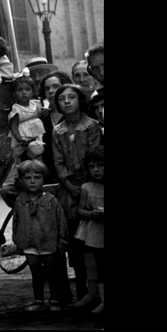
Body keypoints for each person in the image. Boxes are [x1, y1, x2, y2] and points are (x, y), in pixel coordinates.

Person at [51, 84, 102, 303]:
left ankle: (97, 293)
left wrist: (86, 184)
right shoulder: (58, 130)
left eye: (72, 97)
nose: (67, 102)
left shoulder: (91, 126)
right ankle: (82, 291)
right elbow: (58, 161)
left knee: (95, 241)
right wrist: (67, 183)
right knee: (75, 239)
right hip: (69, 189)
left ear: (80, 100)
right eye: (62, 99)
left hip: (91, 185)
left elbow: (95, 155)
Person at [0, 158, 71, 311]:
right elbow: (16, 223)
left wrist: (61, 242)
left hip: (49, 243)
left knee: (52, 272)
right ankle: (38, 300)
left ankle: (55, 300)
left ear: (44, 180)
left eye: (37, 178)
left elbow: (61, 223)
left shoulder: (51, 200)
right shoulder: (20, 201)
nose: (32, 182)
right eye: (28, 178)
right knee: (35, 272)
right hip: (29, 244)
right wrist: (18, 241)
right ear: (22, 180)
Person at [74, 148, 106, 314]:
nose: (96, 170)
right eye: (92, 166)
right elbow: (80, 210)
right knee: (101, 266)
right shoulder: (86, 187)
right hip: (96, 231)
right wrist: (91, 214)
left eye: (100, 165)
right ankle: (103, 300)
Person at [9, 75, 47, 160]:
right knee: (24, 157)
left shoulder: (35, 104)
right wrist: (20, 139)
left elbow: (41, 115)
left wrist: (44, 113)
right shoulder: (17, 109)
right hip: (24, 138)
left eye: (27, 89)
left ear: (33, 92)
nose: (24, 93)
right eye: (20, 90)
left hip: (37, 136)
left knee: (38, 154)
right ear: (14, 93)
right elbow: (13, 126)